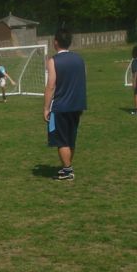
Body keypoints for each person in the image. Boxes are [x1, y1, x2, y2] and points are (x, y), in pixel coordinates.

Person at [43, 29, 87, 181]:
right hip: (77, 105)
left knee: (61, 140)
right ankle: (66, 168)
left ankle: (68, 171)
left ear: (55, 42)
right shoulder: (79, 59)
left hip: (60, 106)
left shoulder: (53, 61)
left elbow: (50, 86)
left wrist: (46, 108)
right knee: (70, 138)